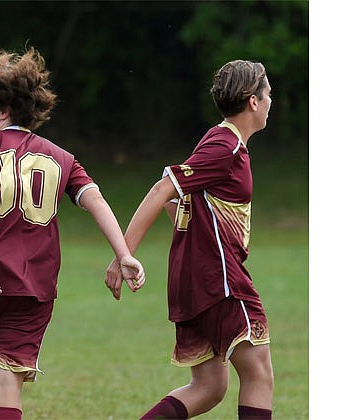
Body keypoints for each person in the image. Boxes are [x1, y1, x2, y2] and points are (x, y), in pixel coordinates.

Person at [0, 47, 145, 420]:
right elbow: (96, 201)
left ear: (3, 109)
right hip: (36, 288)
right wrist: (124, 253)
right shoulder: (63, 157)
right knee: (6, 379)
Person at [107, 60, 274, 419]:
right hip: (219, 281)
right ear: (253, 101)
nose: (271, 100)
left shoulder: (219, 143)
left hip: (193, 283)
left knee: (210, 387)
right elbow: (161, 189)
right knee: (258, 370)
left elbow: (176, 203)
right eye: (268, 94)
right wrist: (123, 254)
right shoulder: (225, 146)